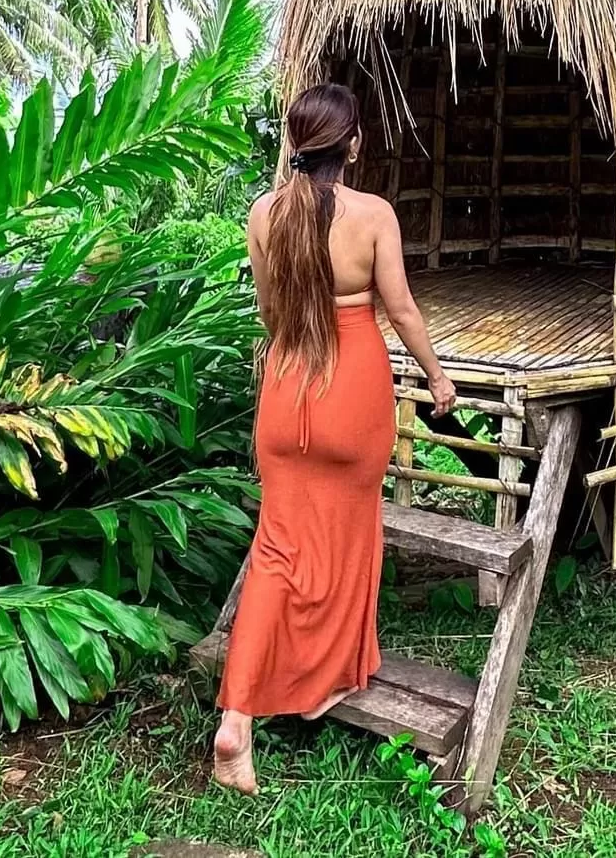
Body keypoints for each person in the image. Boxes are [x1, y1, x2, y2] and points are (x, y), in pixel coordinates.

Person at [213, 82, 457, 795]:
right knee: (349, 535)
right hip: (353, 389)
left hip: (287, 386)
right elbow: (401, 310)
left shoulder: (263, 213)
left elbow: (269, 312)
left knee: (277, 550)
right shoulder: (372, 214)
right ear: (351, 144)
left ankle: (237, 717)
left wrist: (296, 360)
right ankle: (326, 682)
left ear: (294, 141)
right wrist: (438, 381)